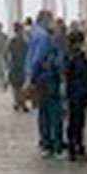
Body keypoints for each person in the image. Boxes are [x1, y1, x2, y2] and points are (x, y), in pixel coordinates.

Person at [26, 9, 65, 157]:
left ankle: (46, 141)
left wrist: (29, 75)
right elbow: (38, 57)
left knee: (43, 111)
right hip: (47, 77)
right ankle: (55, 144)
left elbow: (30, 57)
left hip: (40, 77)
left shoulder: (35, 34)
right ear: (46, 19)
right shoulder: (44, 36)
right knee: (53, 111)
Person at [64, 27, 87, 161]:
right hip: (77, 95)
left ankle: (75, 148)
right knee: (76, 122)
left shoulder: (72, 57)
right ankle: (76, 148)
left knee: (76, 122)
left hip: (76, 94)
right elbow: (83, 78)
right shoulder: (76, 58)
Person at [6, 20, 30, 110]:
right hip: (18, 64)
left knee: (19, 85)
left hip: (19, 65)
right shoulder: (22, 41)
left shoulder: (15, 41)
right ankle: (19, 102)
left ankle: (19, 102)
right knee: (17, 85)